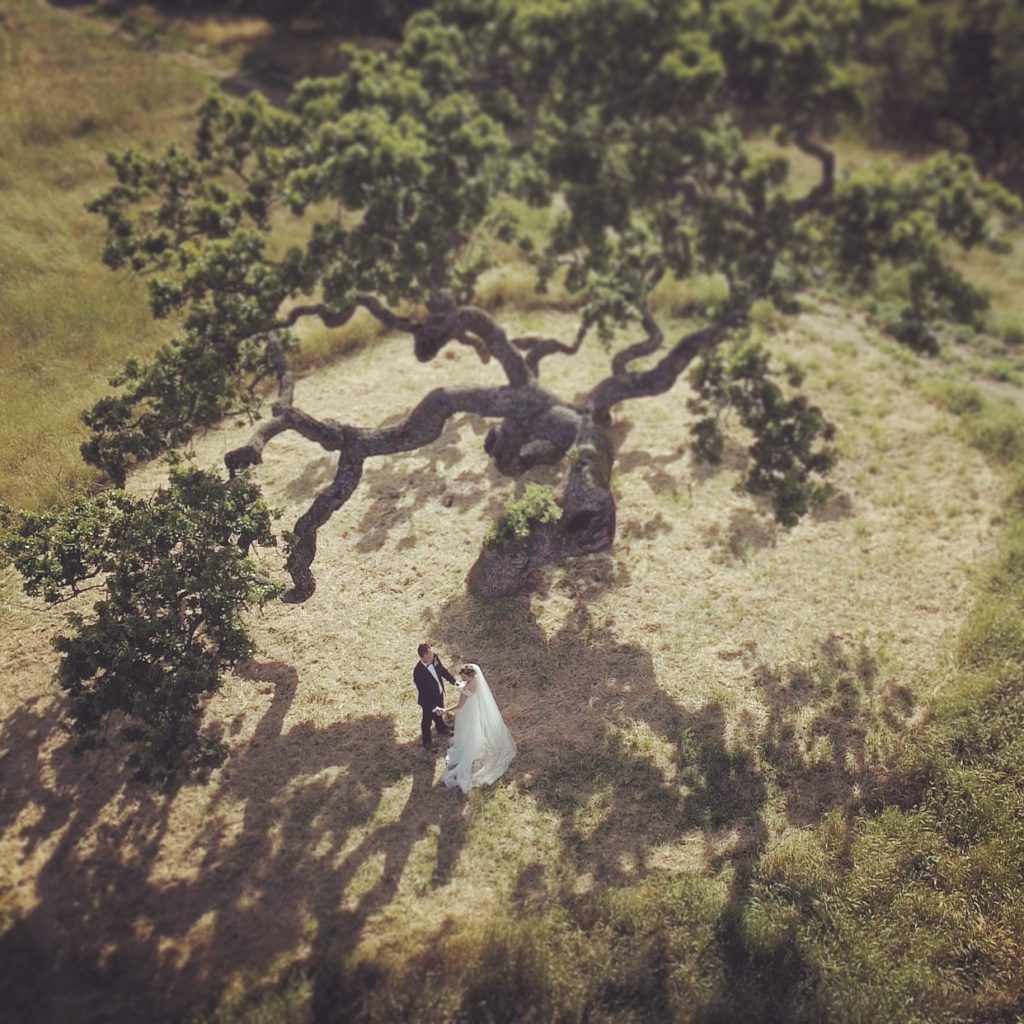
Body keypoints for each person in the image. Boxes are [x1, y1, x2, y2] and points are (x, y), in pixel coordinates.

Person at [441, 663, 516, 794]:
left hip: (466, 713)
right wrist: (461, 685)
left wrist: (445, 710)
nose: (463, 679)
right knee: (473, 730)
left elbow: (460, 705)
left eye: (464, 677)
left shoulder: (467, 688)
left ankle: (468, 750)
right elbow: (467, 689)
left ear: (470, 676)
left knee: (466, 732)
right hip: (473, 711)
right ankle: (474, 748)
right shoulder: (475, 681)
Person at [413, 643, 455, 749]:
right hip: (428, 701)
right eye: (429, 657)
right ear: (422, 657)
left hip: (439, 694)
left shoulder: (434, 658)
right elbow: (423, 693)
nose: (432, 658)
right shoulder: (418, 672)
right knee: (427, 721)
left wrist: (454, 681)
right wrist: (433, 707)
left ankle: (441, 728)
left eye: (432, 655)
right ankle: (427, 742)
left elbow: (442, 671)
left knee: (439, 714)